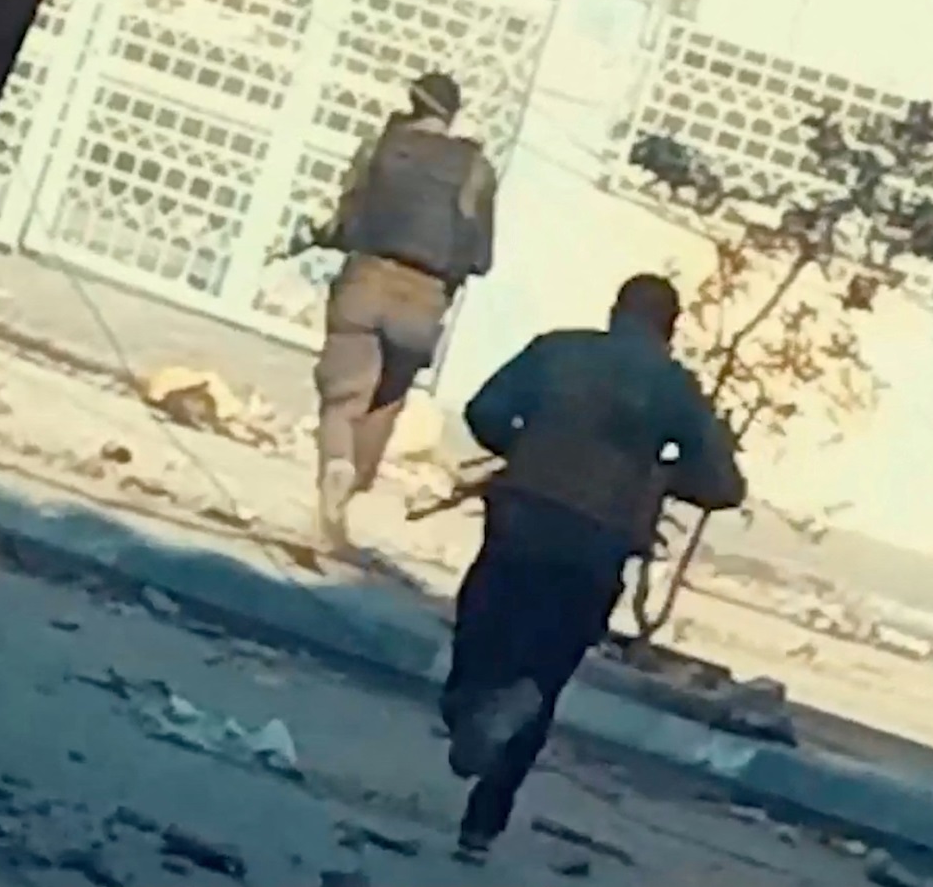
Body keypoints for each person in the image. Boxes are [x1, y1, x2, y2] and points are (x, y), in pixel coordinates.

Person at [439, 273, 746, 862]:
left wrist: (527, 446)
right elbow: (724, 484)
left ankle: (467, 707)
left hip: (521, 522)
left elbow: (484, 411)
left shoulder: (558, 349)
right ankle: (480, 828)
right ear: (670, 330)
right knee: (544, 678)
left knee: (480, 635)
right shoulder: (675, 388)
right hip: (597, 548)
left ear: (614, 312)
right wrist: (658, 477)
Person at [302, 70, 497, 554]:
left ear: (411, 103)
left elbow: (346, 221)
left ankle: (336, 465)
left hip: (366, 280)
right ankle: (347, 497)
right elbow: (481, 258)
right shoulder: (476, 169)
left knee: (343, 396)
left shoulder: (380, 148)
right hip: (424, 300)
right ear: (453, 115)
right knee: (385, 402)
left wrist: (320, 236)